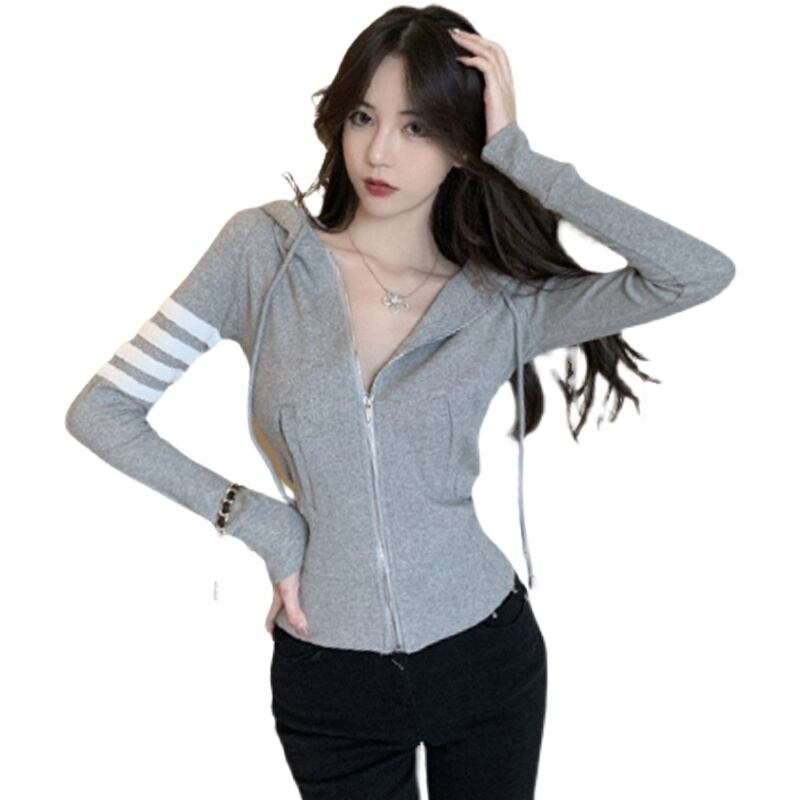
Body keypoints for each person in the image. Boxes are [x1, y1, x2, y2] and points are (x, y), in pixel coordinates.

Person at [64, 6, 736, 799]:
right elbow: (102, 410)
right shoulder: (262, 256)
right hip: (329, 676)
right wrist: (259, 521)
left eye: (418, 127)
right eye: (363, 116)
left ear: (463, 141)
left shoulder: (500, 303)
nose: (379, 151)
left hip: (484, 653)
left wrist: (521, 158)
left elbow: (696, 273)